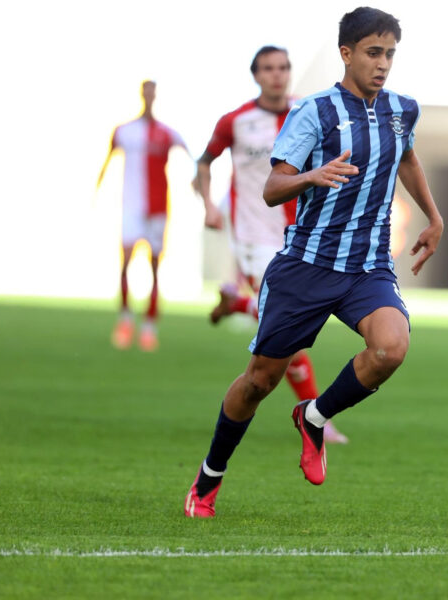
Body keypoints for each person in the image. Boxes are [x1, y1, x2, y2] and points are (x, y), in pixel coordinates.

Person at [184, 6, 444, 518]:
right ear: (346, 53)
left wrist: (434, 217)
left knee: (391, 347)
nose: (383, 63)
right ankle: (208, 479)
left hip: (367, 267)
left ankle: (314, 417)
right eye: (373, 52)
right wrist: (312, 175)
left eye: (390, 54)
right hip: (306, 265)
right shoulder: (315, 111)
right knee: (259, 381)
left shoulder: (403, 109)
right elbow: (273, 187)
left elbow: (408, 158)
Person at [193, 46, 348, 444]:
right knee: (287, 328)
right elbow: (204, 161)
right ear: (256, 75)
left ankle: (236, 304)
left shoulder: (307, 112)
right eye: (268, 69)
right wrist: (208, 204)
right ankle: (318, 418)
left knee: (284, 326)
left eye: (283, 67)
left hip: (301, 235)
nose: (277, 75)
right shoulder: (236, 121)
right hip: (253, 238)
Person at [96, 80, 221, 352]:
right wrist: (97, 190)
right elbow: (107, 160)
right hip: (131, 207)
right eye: (146, 91)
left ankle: (149, 326)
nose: (149, 96)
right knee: (125, 262)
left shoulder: (167, 133)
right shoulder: (124, 131)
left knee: (154, 266)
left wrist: (197, 181)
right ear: (142, 94)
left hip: (158, 208)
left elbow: (194, 158)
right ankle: (125, 318)